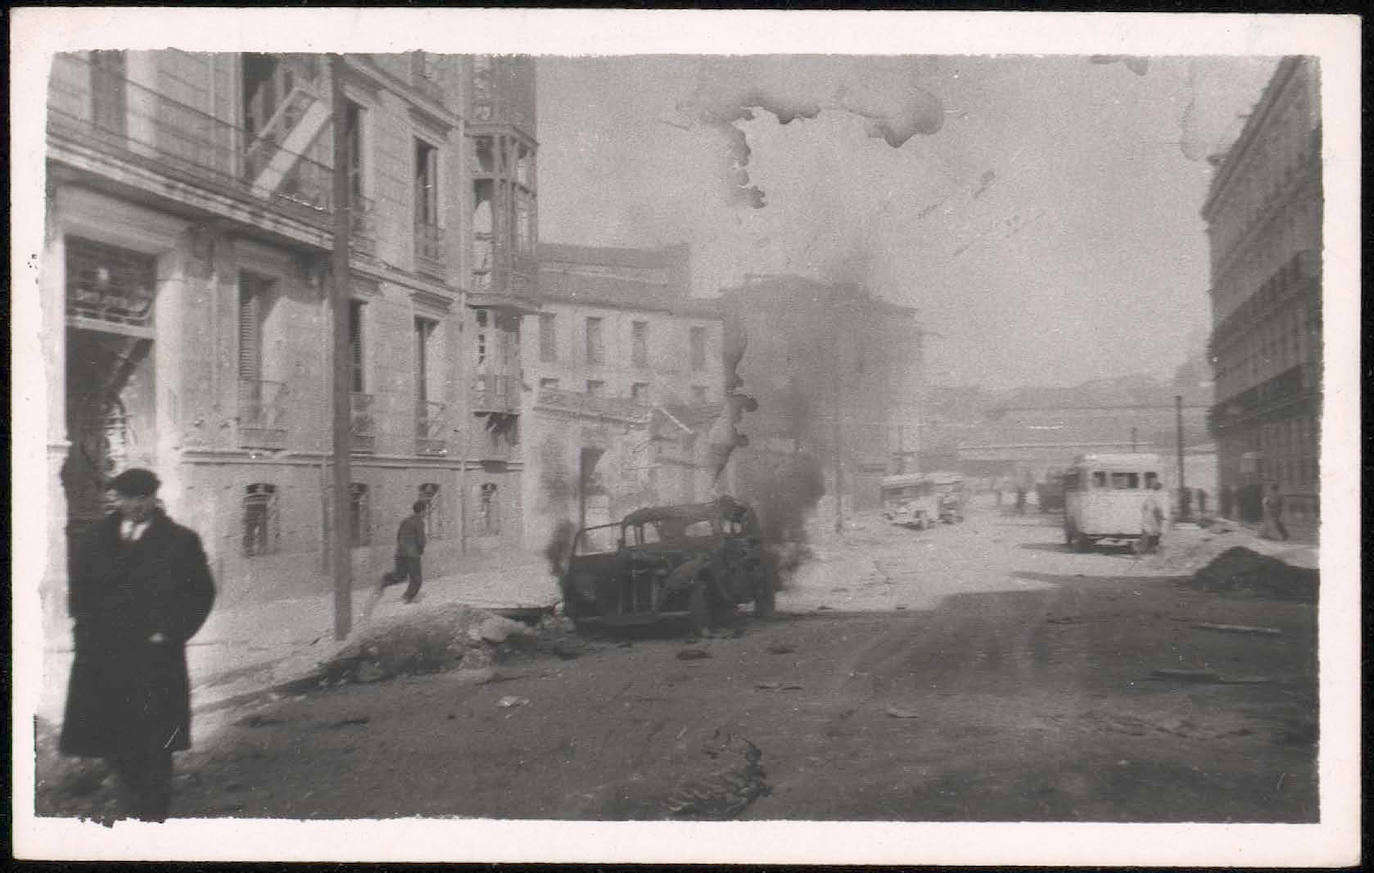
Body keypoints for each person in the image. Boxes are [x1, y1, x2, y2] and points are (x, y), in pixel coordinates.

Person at [59, 468, 216, 822]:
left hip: (154, 661)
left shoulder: (180, 541)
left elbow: (201, 594)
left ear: (154, 498)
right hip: (103, 659)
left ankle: (152, 818)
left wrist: (171, 633)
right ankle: (132, 805)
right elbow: (79, 595)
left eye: (142, 498)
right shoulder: (93, 539)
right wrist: (84, 638)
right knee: (112, 740)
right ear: (117, 498)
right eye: (128, 497)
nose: (135, 506)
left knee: (155, 744)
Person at [378, 500, 428, 603]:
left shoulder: (405, 521)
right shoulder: (419, 522)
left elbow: (398, 536)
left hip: (400, 553)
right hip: (412, 554)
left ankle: (385, 580)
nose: (425, 513)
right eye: (425, 511)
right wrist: (420, 550)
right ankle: (408, 598)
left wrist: (401, 548)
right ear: (422, 511)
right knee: (416, 579)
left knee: (399, 576)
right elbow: (421, 540)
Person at [1138, 481, 1167, 554]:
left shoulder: (1149, 495)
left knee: (1148, 533)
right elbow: (1157, 508)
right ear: (1159, 488)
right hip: (1153, 518)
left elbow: (1143, 507)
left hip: (1147, 518)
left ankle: (1147, 549)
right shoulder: (1156, 496)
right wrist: (1162, 516)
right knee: (1155, 533)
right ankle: (1151, 550)